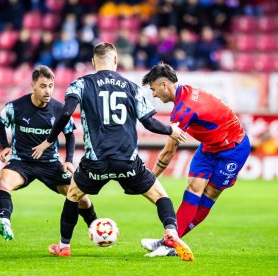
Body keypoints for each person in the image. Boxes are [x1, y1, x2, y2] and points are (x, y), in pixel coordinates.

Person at [32, 42, 194, 261]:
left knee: (73, 195)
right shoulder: (132, 87)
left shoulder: (80, 84)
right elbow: (148, 122)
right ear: (115, 60)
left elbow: (65, 114)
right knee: (159, 195)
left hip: (95, 162)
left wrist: (49, 140)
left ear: (93, 62)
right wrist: (170, 130)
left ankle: (64, 246)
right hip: (127, 161)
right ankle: (171, 233)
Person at [140, 62, 251, 257]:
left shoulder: (185, 109)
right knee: (192, 189)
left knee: (209, 193)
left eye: (154, 89)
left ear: (164, 85)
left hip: (233, 149)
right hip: (209, 147)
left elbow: (168, 151)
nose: (154, 95)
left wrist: (148, 180)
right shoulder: (186, 93)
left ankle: (168, 244)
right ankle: (169, 243)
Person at [0, 65, 96, 241]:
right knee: (3, 183)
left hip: (50, 164)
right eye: (42, 86)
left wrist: (68, 160)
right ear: (32, 85)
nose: (47, 90)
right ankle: (4, 220)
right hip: (21, 161)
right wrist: (5, 145)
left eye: (50, 85)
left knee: (82, 198)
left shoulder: (59, 110)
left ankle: (96, 227)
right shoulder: (16, 107)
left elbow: (70, 133)